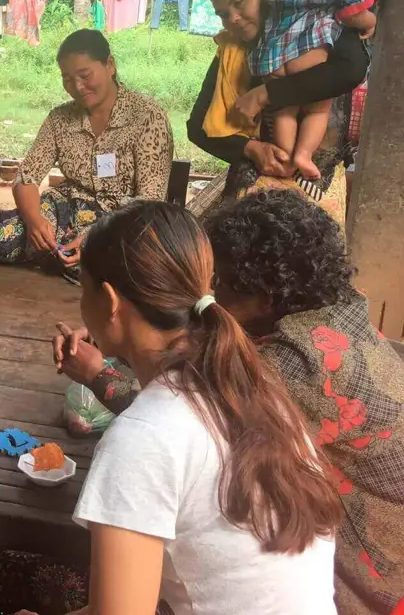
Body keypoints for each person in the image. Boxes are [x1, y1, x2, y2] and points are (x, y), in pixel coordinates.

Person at [57, 190, 404, 615]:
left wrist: (98, 372)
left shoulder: (287, 372)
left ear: (109, 301)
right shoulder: (261, 379)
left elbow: (165, 434)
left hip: (374, 585)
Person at [187, 0, 369, 225]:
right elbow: (197, 127)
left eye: (240, 3)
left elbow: (351, 69)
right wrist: (251, 149)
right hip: (253, 195)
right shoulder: (231, 52)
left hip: (319, 192)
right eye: (224, 14)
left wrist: (266, 94)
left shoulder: (316, 26)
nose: (233, 18)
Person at [0, 29, 173, 279]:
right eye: (68, 79)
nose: (77, 87)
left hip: (123, 221)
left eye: (85, 75)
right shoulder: (60, 119)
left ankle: (68, 257)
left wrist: (95, 235)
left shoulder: (146, 116)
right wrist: (35, 221)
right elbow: (26, 177)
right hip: (67, 209)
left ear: (110, 65)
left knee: (101, 259)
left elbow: (150, 201)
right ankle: (62, 254)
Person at [248, 0, 376, 180]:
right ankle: (303, 155)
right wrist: (371, 20)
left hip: (279, 56)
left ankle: (284, 154)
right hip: (311, 54)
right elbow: (356, 8)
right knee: (319, 106)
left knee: (285, 109)